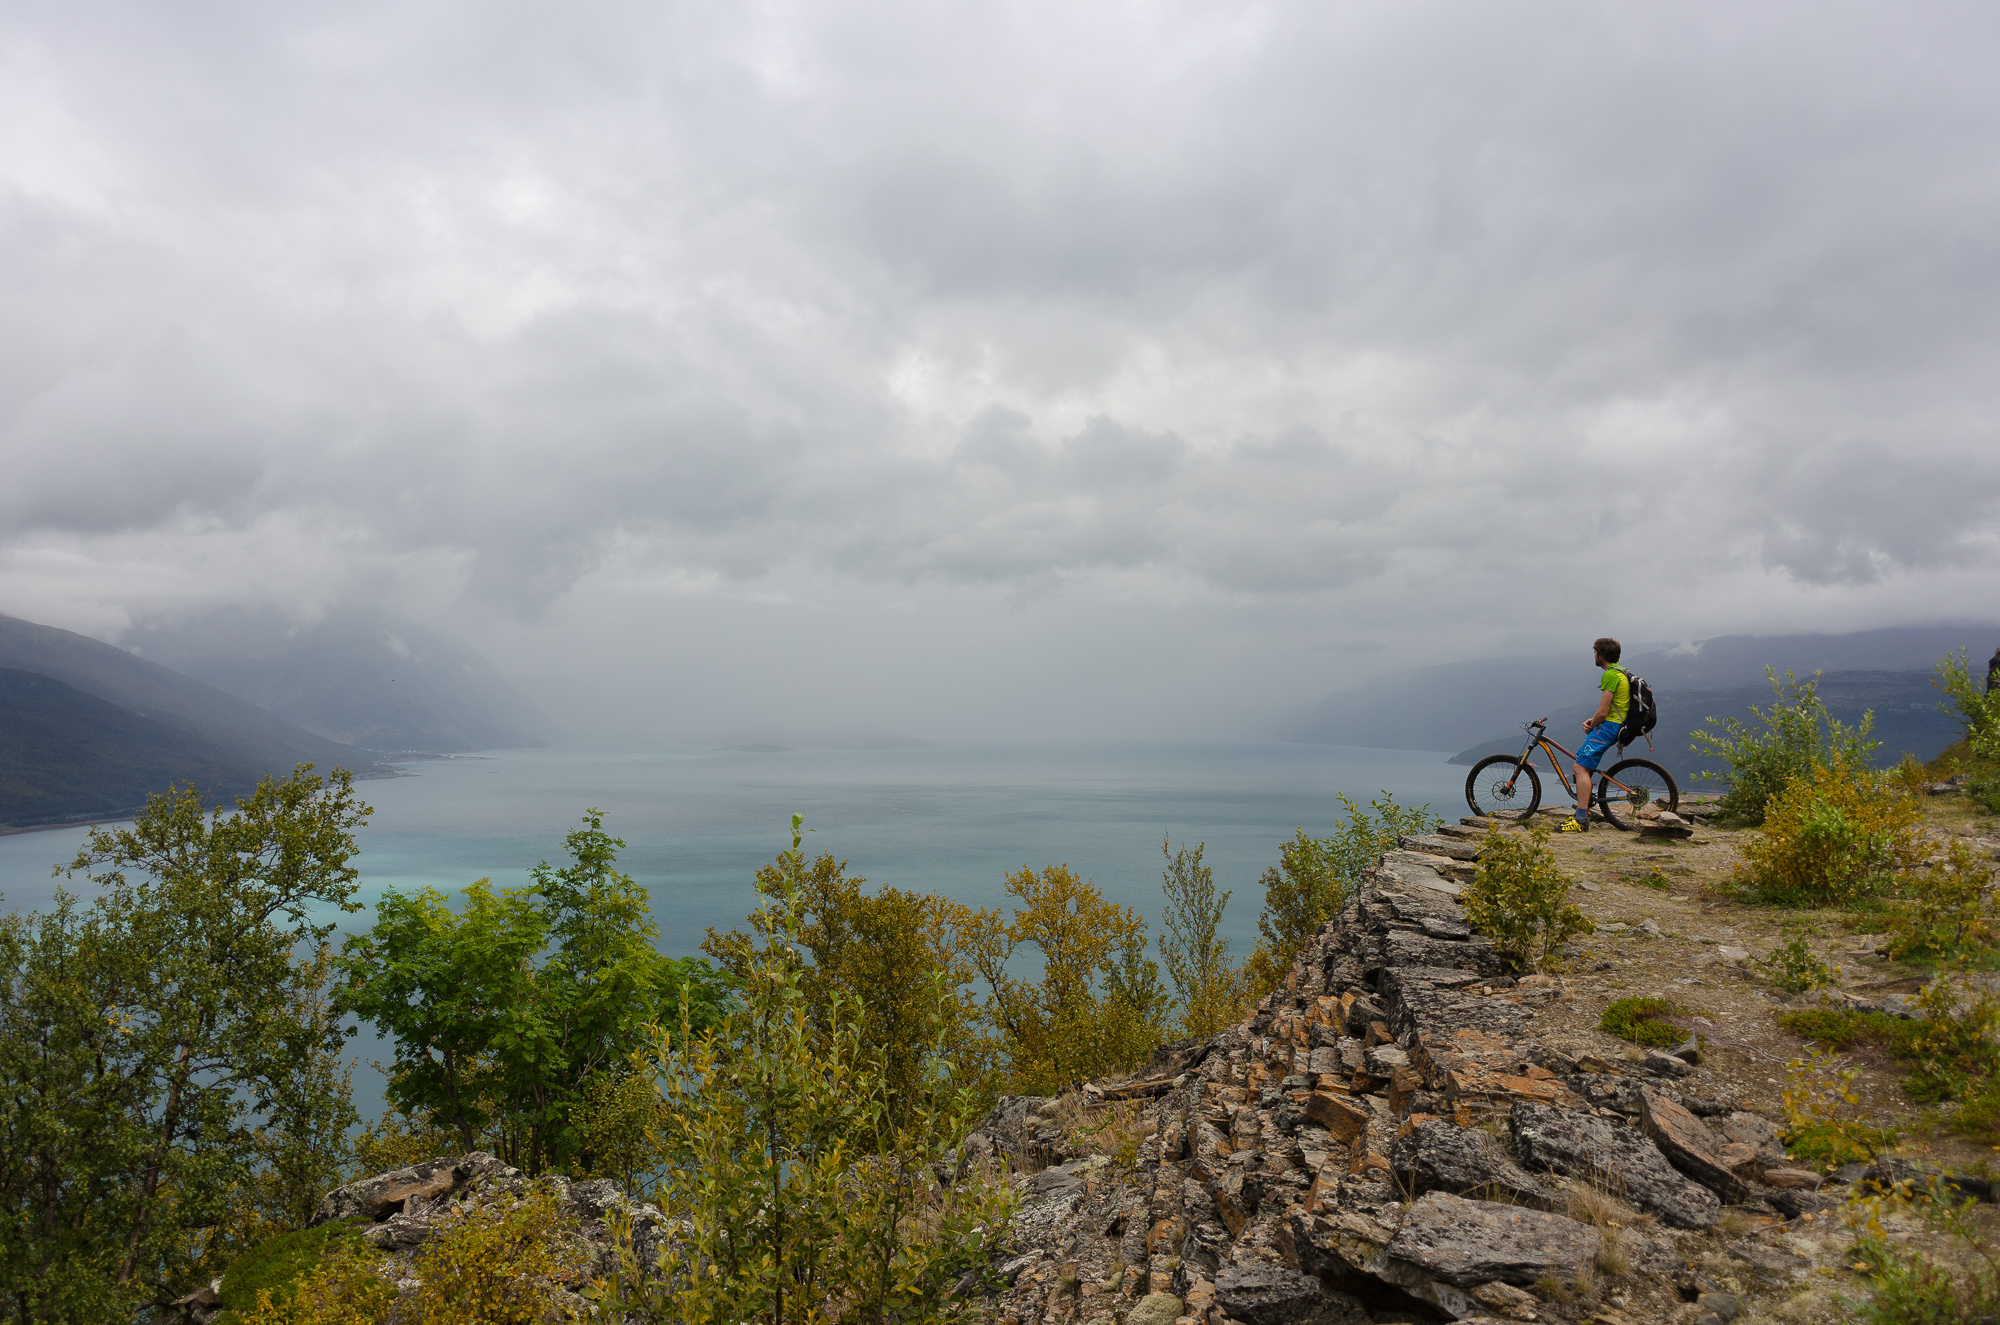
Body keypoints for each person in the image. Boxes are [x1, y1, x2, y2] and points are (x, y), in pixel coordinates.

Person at [1560, 637, 1630, 833]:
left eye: (1595, 653)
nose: (1594, 656)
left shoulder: (1610, 675)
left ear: (1601, 655)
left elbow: (1603, 712)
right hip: (1616, 724)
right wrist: (1593, 721)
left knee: (1579, 766)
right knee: (1585, 763)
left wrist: (1592, 723)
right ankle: (1583, 808)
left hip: (1609, 727)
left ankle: (1580, 819)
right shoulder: (1621, 672)